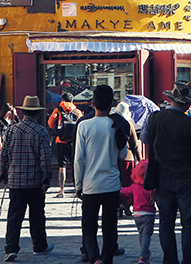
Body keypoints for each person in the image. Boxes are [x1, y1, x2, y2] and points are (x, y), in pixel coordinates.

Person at [141, 82, 191, 264]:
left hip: (162, 178)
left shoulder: (153, 119)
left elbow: (145, 138)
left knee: (166, 224)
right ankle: (189, 259)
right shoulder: (190, 123)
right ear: (185, 103)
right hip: (186, 178)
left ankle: (170, 260)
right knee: (189, 224)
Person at [0, 95, 54, 262]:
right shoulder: (41, 131)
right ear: (37, 114)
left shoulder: (11, 130)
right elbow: (45, 158)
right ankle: (39, 246)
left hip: (15, 182)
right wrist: (46, 178)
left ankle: (11, 248)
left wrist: (2, 173)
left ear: (23, 113)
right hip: (35, 183)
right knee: (37, 216)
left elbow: (3, 155)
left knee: (14, 217)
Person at [75, 84, 125, 264]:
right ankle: (107, 258)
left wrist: (78, 185)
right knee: (110, 225)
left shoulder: (84, 126)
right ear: (111, 103)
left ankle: (94, 257)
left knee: (89, 226)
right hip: (111, 183)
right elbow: (122, 152)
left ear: (93, 103)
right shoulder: (115, 125)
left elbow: (79, 159)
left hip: (90, 184)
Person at [47, 92, 83, 198]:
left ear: (62, 100)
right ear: (72, 101)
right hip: (74, 142)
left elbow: (50, 123)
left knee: (62, 166)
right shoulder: (77, 111)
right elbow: (82, 124)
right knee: (75, 165)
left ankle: (62, 190)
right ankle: (77, 189)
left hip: (60, 141)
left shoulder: (58, 110)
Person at [120, 159, 155, 264]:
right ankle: (143, 256)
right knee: (146, 236)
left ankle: (146, 253)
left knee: (141, 234)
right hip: (149, 214)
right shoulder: (151, 188)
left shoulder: (134, 187)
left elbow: (124, 192)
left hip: (137, 214)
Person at [0, 104, 18, 190]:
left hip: (11, 145)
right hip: (3, 143)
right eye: (8, 111)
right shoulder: (0, 122)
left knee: (11, 163)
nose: (9, 113)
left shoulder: (13, 122)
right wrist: (0, 144)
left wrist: (15, 115)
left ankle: (10, 181)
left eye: (10, 111)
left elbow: (20, 124)